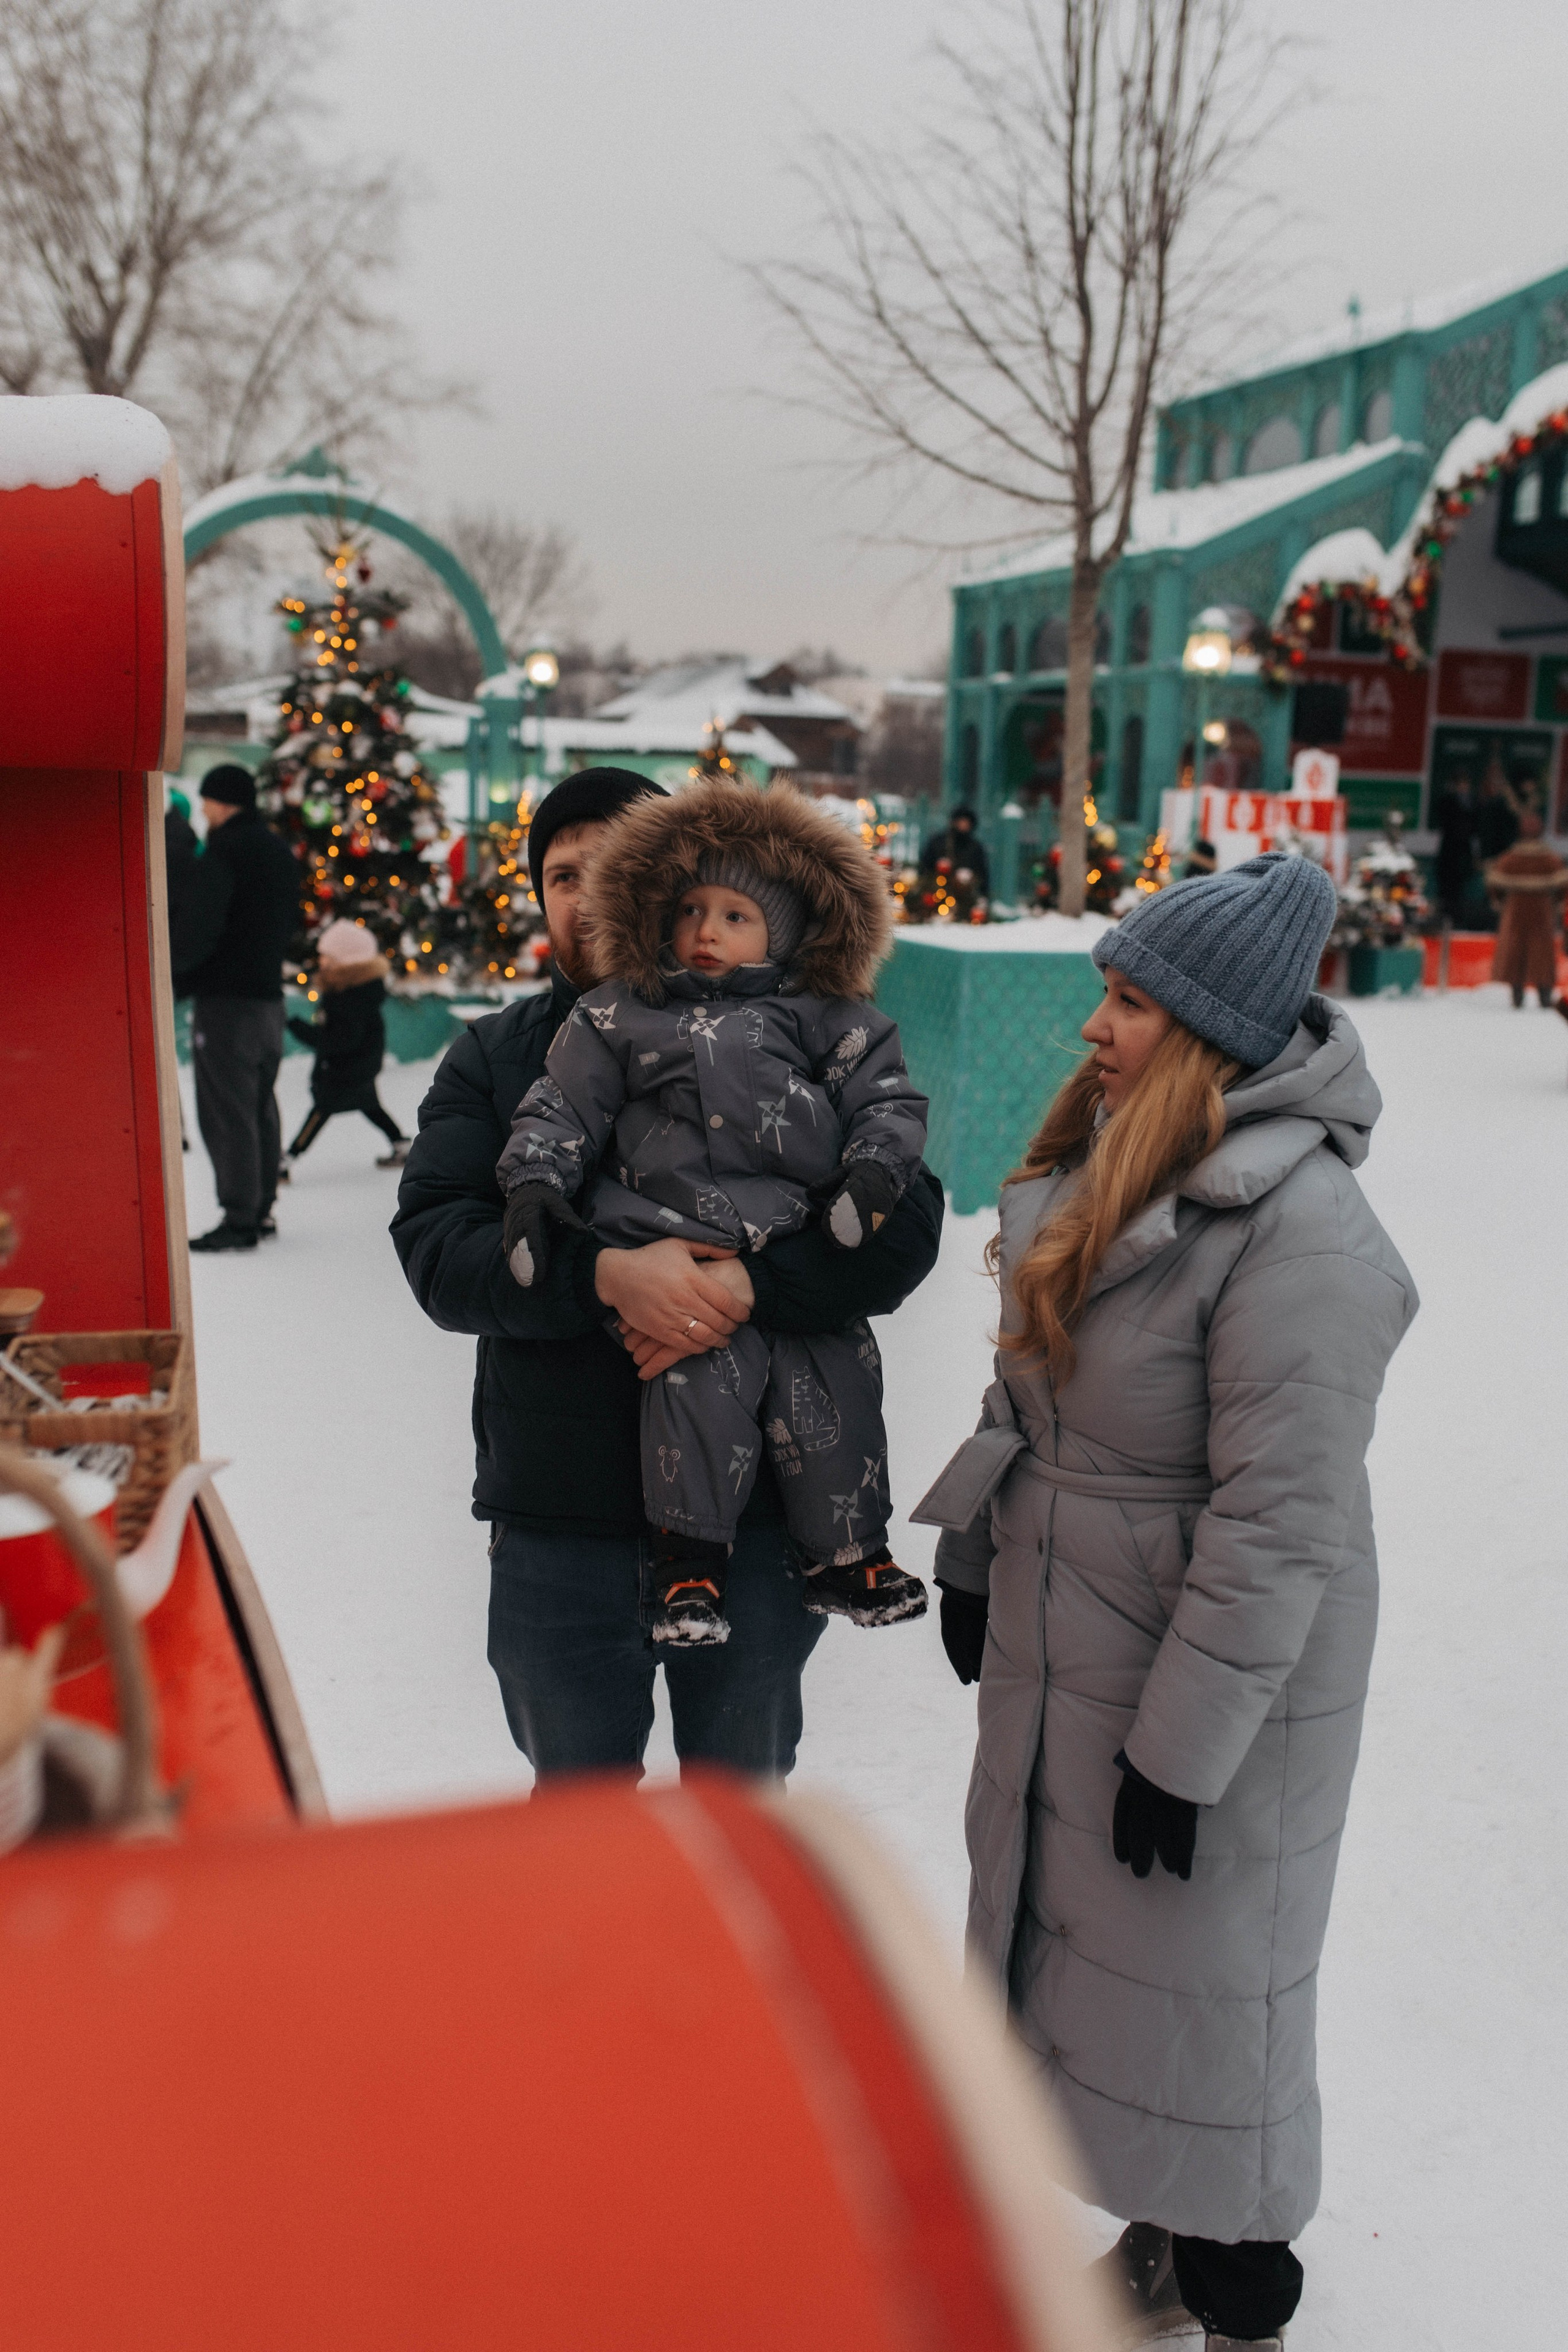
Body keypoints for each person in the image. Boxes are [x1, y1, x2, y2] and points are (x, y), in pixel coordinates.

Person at [918, 853, 1417, 2351]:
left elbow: (1280, 1524)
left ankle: (1238, 2276)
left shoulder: (1303, 1234)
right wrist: (967, 1555)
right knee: (1093, 1958)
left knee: (1208, 1979)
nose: (1094, 1030)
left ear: (1206, 1032)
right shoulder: (1118, 1156)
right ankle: (1160, 2228)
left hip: (1210, 1674)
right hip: (1075, 1636)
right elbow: (1031, 1395)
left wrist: (1182, 1745)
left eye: (1127, 1004)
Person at [390, 768, 943, 1781]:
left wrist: (747, 1291)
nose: (589, 888)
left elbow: (905, 1224)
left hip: (758, 1531)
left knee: (738, 1817)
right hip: (563, 1525)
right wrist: (605, 1278)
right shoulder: (496, 1059)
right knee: (579, 1827)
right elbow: (439, 1249)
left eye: (615, 862)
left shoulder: (798, 1027)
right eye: (564, 873)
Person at [496, 778, 929, 1648]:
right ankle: (688, 1561)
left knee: (835, 1392)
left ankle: (850, 1553)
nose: (705, 931)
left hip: (791, 1250)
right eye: (690, 910)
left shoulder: (825, 1016)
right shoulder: (617, 1015)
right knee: (694, 1398)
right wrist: (541, 1195)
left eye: (735, 916)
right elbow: (559, 1109)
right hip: (666, 1258)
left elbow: (887, 1104)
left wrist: (872, 1179)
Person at [172, 764, 300, 1253]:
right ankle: (261, 1207)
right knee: (260, 1107)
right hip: (269, 1001)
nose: (202, 809)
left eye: (207, 800)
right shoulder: (278, 852)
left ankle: (239, 1217)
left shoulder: (224, 851)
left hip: (227, 1003)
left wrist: (175, 977)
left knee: (227, 1113)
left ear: (224, 802)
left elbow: (202, 927)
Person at [284, 918, 410, 1167]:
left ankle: (288, 1158)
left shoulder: (350, 999)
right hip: (359, 1067)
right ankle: (401, 1144)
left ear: (346, 965)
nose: (321, 963)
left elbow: (339, 1040)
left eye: (328, 959)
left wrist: (299, 1029)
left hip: (346, 1071)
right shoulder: (353, 991)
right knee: (370, 1106)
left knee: (321, 1111)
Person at [1484, 806, 1566, 1009]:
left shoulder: (1509, 859)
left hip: (1515, 911)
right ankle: (1544, 995)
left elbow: (1494, 885)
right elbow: (1563, 887)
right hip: (1542, 911)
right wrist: (1557, 904)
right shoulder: (1550, 860)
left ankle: (1517, 994)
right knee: (1542, 954)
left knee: (1515, 952)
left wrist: (1501, 901)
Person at [1430, 770, 1477, 928]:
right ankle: (1444, 919)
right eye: (1460, 784)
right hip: (1449, 853)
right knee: (1446, 890)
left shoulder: (1473, 803)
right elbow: (1443, 823)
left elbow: (1476, 828)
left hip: (1464, 854)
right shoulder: (1446, 802)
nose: (1464, 787)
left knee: (1460, 891)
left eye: (1466, 784)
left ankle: (1458, 920)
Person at [920, 804, 990, 903]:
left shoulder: (976, 847)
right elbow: (926, 865)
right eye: (961, 821)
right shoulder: (939, 842)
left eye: (966, 822)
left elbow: (982, 872)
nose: (963, 825)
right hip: (937, 892)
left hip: (965, 895)